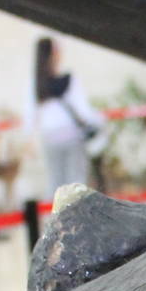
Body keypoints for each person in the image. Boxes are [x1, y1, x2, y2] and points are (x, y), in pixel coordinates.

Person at [28, 36, 105, 192]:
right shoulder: (68, 80)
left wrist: (29, 139)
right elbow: (83, 111)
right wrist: (99, 120)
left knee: (56, 185)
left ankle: (59, 217)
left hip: (50, 138)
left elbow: (30, 113)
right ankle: (75, 217)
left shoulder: (36, 84)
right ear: (53, 54)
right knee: (76, 184)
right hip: (72, 136)